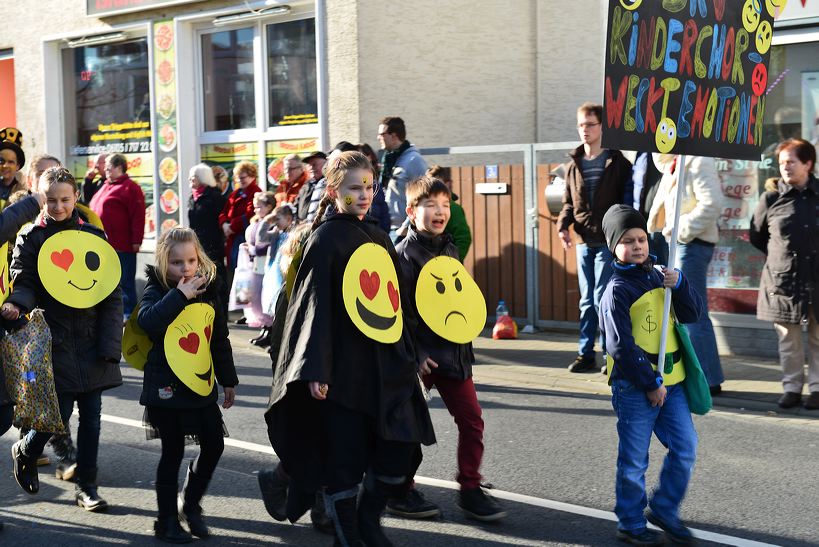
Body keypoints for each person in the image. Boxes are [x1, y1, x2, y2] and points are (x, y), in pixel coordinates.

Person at [264, 151, 435, 545]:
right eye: (355, 187)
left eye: (369, 186)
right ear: (333, 190)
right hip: (344, 369)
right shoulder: (324, 239)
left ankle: (368, 519)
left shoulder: (376, 235)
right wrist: (316, 369)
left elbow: (394, 303)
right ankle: (351, 535)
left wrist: (414, 354)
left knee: (399, 447)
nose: (364, 194)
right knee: (345, 459)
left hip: (386, 363)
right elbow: (313, 308)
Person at [2, 167, 123, 512]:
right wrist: (16, 304)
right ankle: (26, 449)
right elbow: (23, 282)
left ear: (76, 198)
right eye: (50, 199)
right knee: (58, 412)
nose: (57, 206)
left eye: (64, 199)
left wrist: (110, 345)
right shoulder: (31, 237)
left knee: (93, 416)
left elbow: (111, 295)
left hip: (91, 339)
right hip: (51, 340)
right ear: (40, 198)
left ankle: (88, 486)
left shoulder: (93, 237)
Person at [391, 175, 505, 522]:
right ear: (412, 211)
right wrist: (414, 357)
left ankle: (470, 488)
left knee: (472, 421)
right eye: (430, 205)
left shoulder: (450, 248)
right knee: (407, 425)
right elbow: (400, 314)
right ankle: (401, 490)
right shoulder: (402, 255)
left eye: (445, 205)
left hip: (453, 354)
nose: (439, 212)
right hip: (421, 358)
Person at [600, 204, 702, 546]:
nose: (638, 245)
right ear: (614, 247)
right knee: (633, 459)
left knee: (685, 447)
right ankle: (630, 521)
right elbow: (620, 347)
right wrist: (650, 382)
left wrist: (681, 283)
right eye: (628, 240)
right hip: (636, 386)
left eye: (641, 238)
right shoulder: (616, 291)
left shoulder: (662, 275)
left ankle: (664, 508)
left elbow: (691, 314)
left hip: (671, 384)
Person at [137, 227, 237, 542]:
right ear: (165, 263)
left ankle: (190, 505)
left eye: (191, 260)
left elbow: (218, 339)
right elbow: (148, 321)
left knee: (214, 444)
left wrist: (228, 380)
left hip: (199, 386)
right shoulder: (157, 290)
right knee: (173, 452)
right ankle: (166, 521)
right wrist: (179, 295)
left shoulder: (209, 290)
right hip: (165, 390)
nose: (187, 268)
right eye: (178, 263)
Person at [556, 102, 632, 373]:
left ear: (602, 127)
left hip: (609, 242)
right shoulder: (573, 165)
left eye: (589, 124)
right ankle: (585, 354)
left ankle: (610, 355)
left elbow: (626, 202)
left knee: (603, 298)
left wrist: (623, 235)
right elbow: (568, 203)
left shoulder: (618, 162)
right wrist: (562, 226)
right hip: (583, 241)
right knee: (586, 301)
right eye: (580, 125)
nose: (584, 130)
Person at [750, 138, 819, 410]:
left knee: (817, 336)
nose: (785, 167)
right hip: (783, 280)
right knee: (788, 339)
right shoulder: (770, 198)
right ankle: (791, 387)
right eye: (782, 163)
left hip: (816, 277)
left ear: (808, 163)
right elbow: (757, 236)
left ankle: (816, 388)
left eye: (791, 161)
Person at [648, 154, 724, 395]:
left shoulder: (698, 161)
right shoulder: (671, 166)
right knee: (683, 311)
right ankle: (701, 377)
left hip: (690, 243)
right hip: (676, 243)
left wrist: (679, 231)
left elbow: (712, 204)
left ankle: (710, 381)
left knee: (693, 312)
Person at [89, 153, 146, 320]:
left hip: (122, 244)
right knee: (106, 281)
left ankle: (129, 315)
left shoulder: (130, 188)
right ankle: (110, 313)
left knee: (124, 282)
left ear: (119, 167)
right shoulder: (106, 186)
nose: (105, 171)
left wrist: (136, 240)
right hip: (103, 244)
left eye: (109, 168)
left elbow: (138, 216)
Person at [218, 161, 262, 317]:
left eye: (243, 177)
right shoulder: (235, 194)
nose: (240, 181)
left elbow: (251, 215)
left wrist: (231, 226)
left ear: (251, 176)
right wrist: (224, 224)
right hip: (232, 240)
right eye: (238, 178)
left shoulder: (255, 192)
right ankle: (243, 308)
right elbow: (223, 212)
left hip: (244, 239)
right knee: (238, 273)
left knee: (247, 274)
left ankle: (248, 311)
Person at [377, 116, 428, 236]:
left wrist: (406, 227)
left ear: (394, 136)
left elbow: (424, 196)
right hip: (387, 227)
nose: (378, 137)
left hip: (402, 231)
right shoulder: (390, 160)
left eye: (381, 134)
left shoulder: (414, 160)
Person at [255, 204, 294, 347]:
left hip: (283, 271)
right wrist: (266, 221)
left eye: (278, 219)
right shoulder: (276, 232)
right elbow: (261, 238)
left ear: (289, 219)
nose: (276, 221)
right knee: (270, 299)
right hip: (273, 269)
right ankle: (270, 330)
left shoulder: (293, 234)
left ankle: (278, 335)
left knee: (280, 300)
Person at [187, 163, 227, 303]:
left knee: (216, 277)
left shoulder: (215, 196)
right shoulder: (192, 198)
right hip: (197, 244)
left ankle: (220, 307)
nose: (190, 181)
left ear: (202, 178)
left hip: (213, 243)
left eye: (193, 178)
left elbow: (221, 219)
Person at [243, 191, 277, 330]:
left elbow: (268, 243)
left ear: (269, 207)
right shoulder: (256, 221)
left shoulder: (271, 223)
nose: (256, 210)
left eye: (259, 207)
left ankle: (269, 325)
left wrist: (253, 250)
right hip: (255, 264)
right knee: (255, 297)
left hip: (265, 264)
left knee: (263, 296)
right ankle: (265, 325)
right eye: (255, 207)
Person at [628, 151, 667, 265]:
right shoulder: (641, 153)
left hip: (659, 224)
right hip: (640, 222)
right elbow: (634, 185)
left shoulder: (666, 149)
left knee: (661, 270)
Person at [428, 165, 472, 262]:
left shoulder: (454, 209)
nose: (433, 189)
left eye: (438, 184)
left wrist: (453, 262)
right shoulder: (426, 208)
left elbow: (463, 239)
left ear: (448, 184)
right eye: (430, 185)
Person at [357, 142, 391, 232]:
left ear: (370, 157)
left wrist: (381, 233)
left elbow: (383, 212)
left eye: (363, 155)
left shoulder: (376, 181)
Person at [295, 151, 327, 222]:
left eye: (314, 164)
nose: (311, 168)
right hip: (303, 228)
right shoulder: (306, 186)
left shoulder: (329, 184)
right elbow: (296, 205)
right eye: (309, 165)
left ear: (325, 165)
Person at [0, 129, 27, 209]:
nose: (5, 166)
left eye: (11, 162)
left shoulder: (24, 192)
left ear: (17, 166)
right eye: (1, 161)